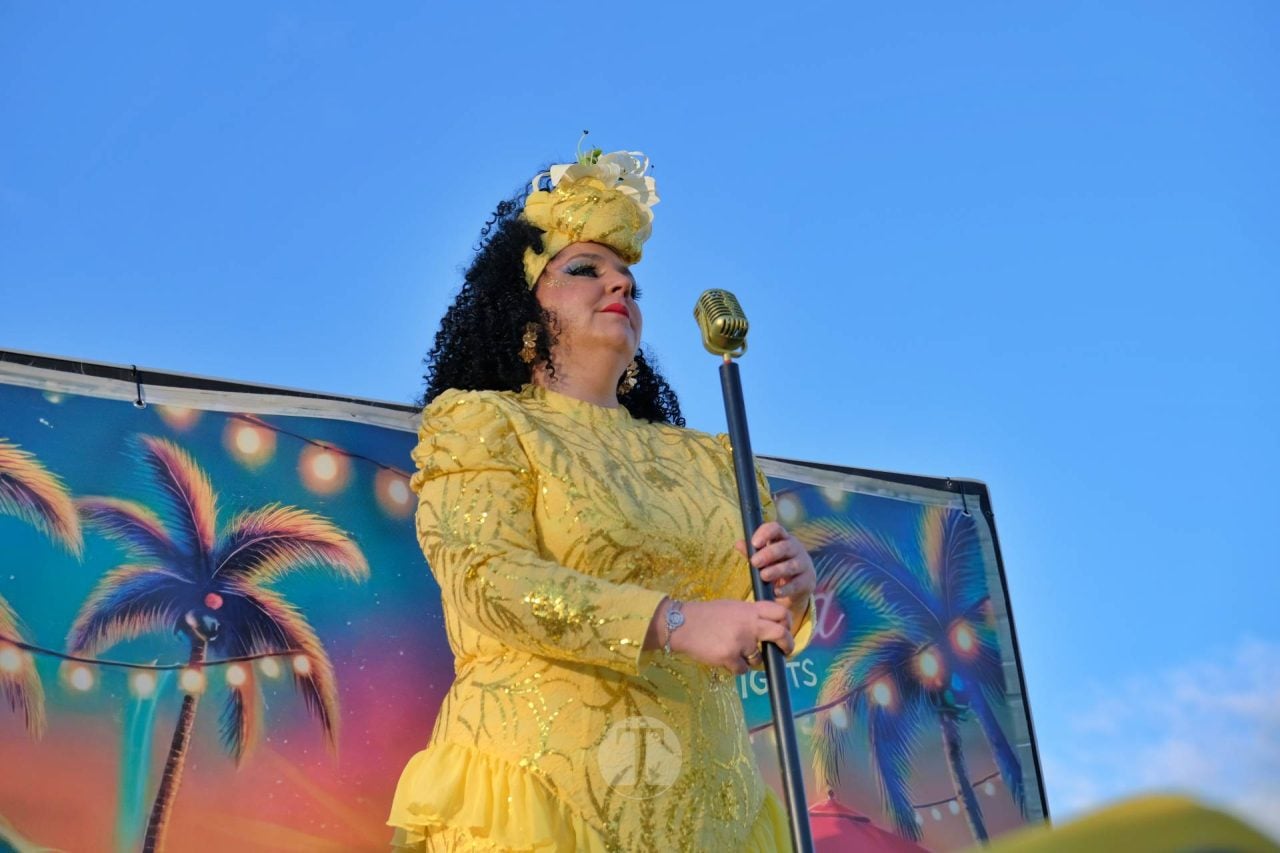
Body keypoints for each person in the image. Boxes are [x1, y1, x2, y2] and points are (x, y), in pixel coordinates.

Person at [387, 143, 818, 852]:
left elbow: (756, 618)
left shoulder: (712, 459)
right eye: (584, 270)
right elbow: (487, 578)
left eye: (629, 281)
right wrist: (674, 621)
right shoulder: (482, 421)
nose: (617, 286)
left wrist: (791, 597)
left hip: (713, 816)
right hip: (538, 801)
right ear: (521, 312)